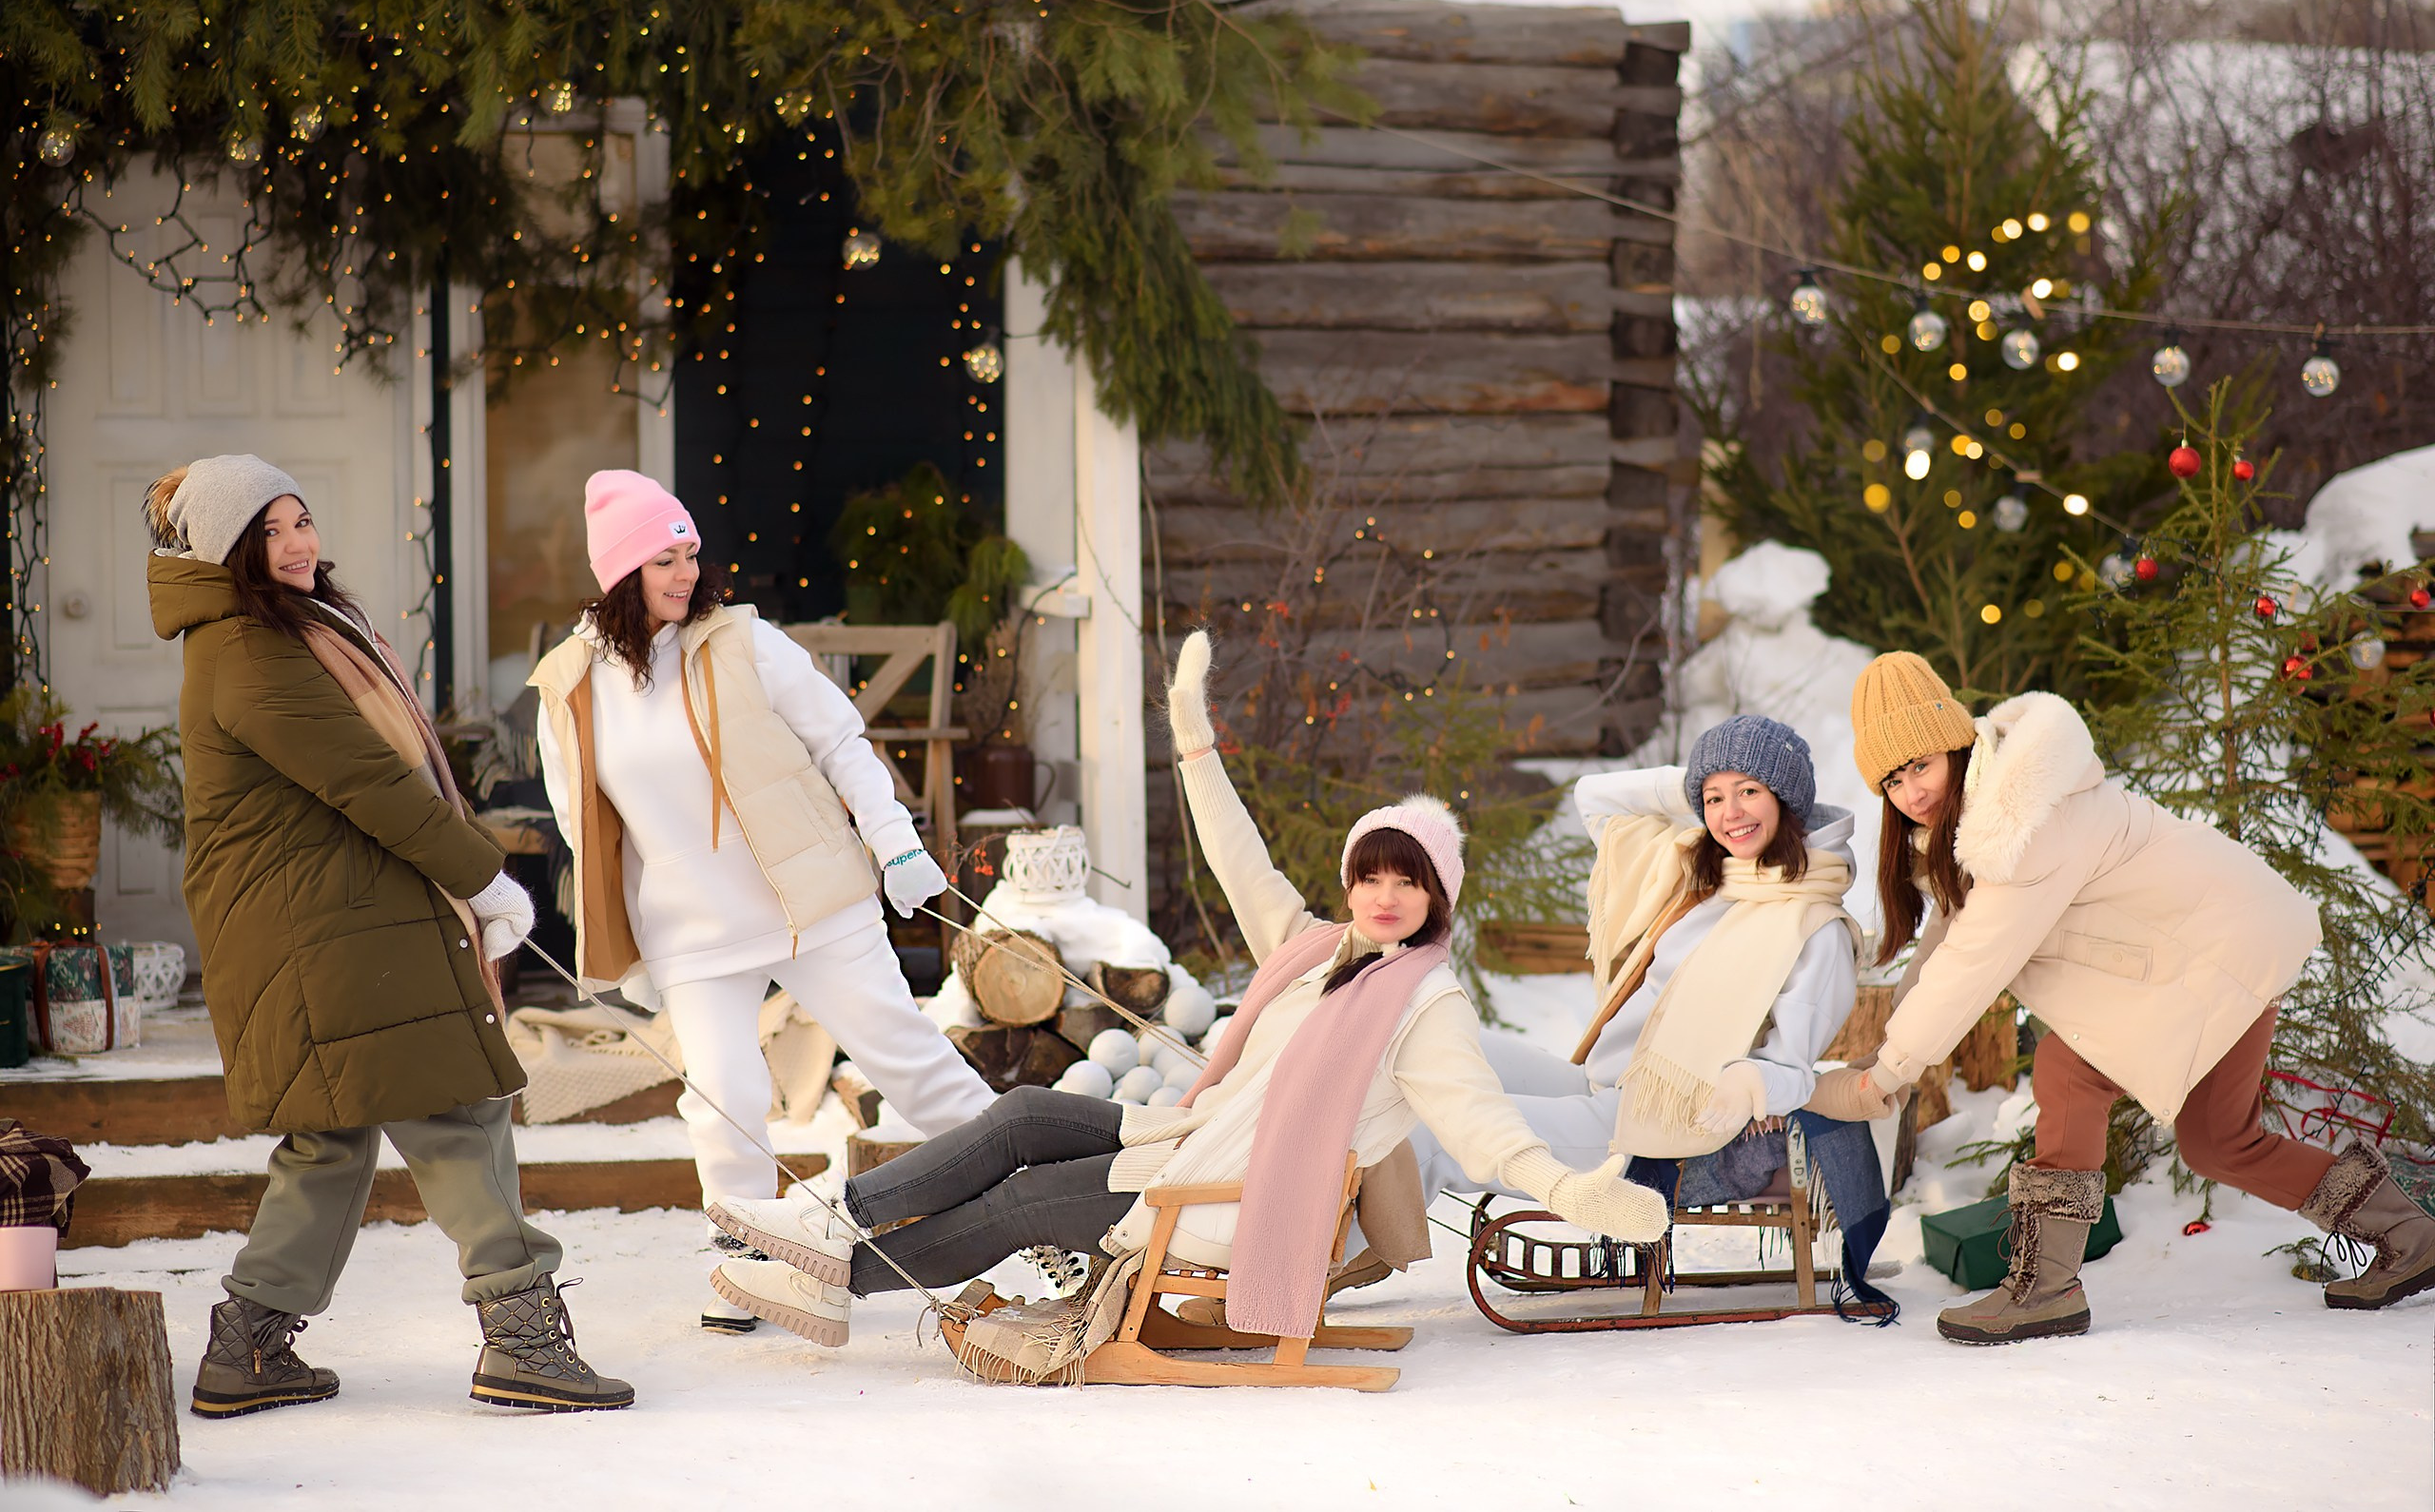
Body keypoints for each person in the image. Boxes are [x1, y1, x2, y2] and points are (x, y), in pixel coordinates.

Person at [703, 630, 1668, 1346]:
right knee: (1028, 1112)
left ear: (1435, 899)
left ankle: (835, 1265)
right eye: (1370, 874)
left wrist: (1576, 1191)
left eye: (1406, 879)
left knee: (1026, 1202)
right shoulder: (1316, 947)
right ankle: (834, 1223)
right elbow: (1236, 858)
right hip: (1195, 1144)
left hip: (1238, 1196)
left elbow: (1484, 1129)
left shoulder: (1423, 1006)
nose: (1383, 895)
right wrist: (1194, 736)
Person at [146, 456, 632, 1416]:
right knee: (458, 1105)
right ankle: (522, 1335)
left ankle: (249, 1345)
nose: (298, 543)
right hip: (320, 927)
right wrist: (482, 873)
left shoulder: (278, 630)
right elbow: (368, 779)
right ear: (228, 551)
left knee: (331, 1138)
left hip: (324, 918)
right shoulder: (246, 648)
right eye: (270, 530)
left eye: (301, 519)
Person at [1841, 651, 2435, 1344]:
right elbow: (1947, 941)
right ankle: (2410, 1237)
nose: (1910, 790)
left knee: (2069, 1070)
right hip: (2213, 948)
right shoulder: (1978, 821)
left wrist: (1886, 1077)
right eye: (1892, 778)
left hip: (2221, 945)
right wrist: (1887, 1056)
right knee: (2219, 1141)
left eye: (1920, 765)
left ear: (1955, 743)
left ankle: (2046, 1289)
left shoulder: (2023, 818)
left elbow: (1974, 962)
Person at [529, 470, 997, 1333]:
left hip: (807, 897)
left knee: (907, 1060)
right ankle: (748, 1257)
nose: (685, 573)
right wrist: (619, 940)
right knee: (725, 1092)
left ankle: (1043, 1202)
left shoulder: (744, 641)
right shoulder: (571, 687)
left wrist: (894, 838)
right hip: (692, 926)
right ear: (619, 571)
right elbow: (581, 820)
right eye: (663, 558)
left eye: (690, 554)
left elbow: (840, 738)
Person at [1406, 715, 1895, 1305]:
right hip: (1605, 1085)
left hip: (1655, 1132)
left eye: (1749, 792)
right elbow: (1595, 797)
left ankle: (1304, 1278)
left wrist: (1746, 1079)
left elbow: (1789, 1069)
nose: (1730, 813)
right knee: (1434, 1043)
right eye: (1714, 798)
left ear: (1787, 799)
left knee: (1434, 1133)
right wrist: (1700, 786)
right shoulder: (1705, 872)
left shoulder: (1817, 929)